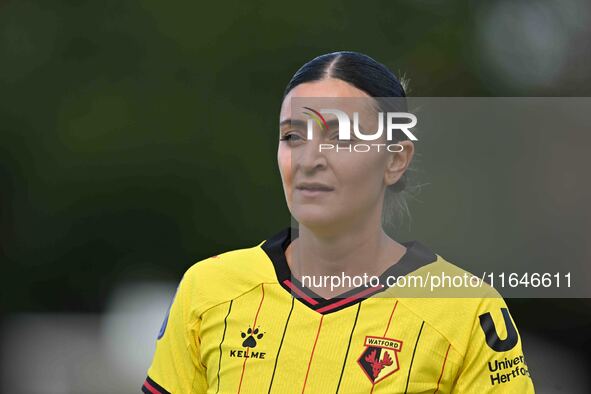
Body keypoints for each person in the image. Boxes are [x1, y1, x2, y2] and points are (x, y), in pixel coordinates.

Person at [142, 51, 535, 393]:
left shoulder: (465, 309)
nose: (310, 159)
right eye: (293, 136)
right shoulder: (208, 289)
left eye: (341, 138)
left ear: (396, 159)